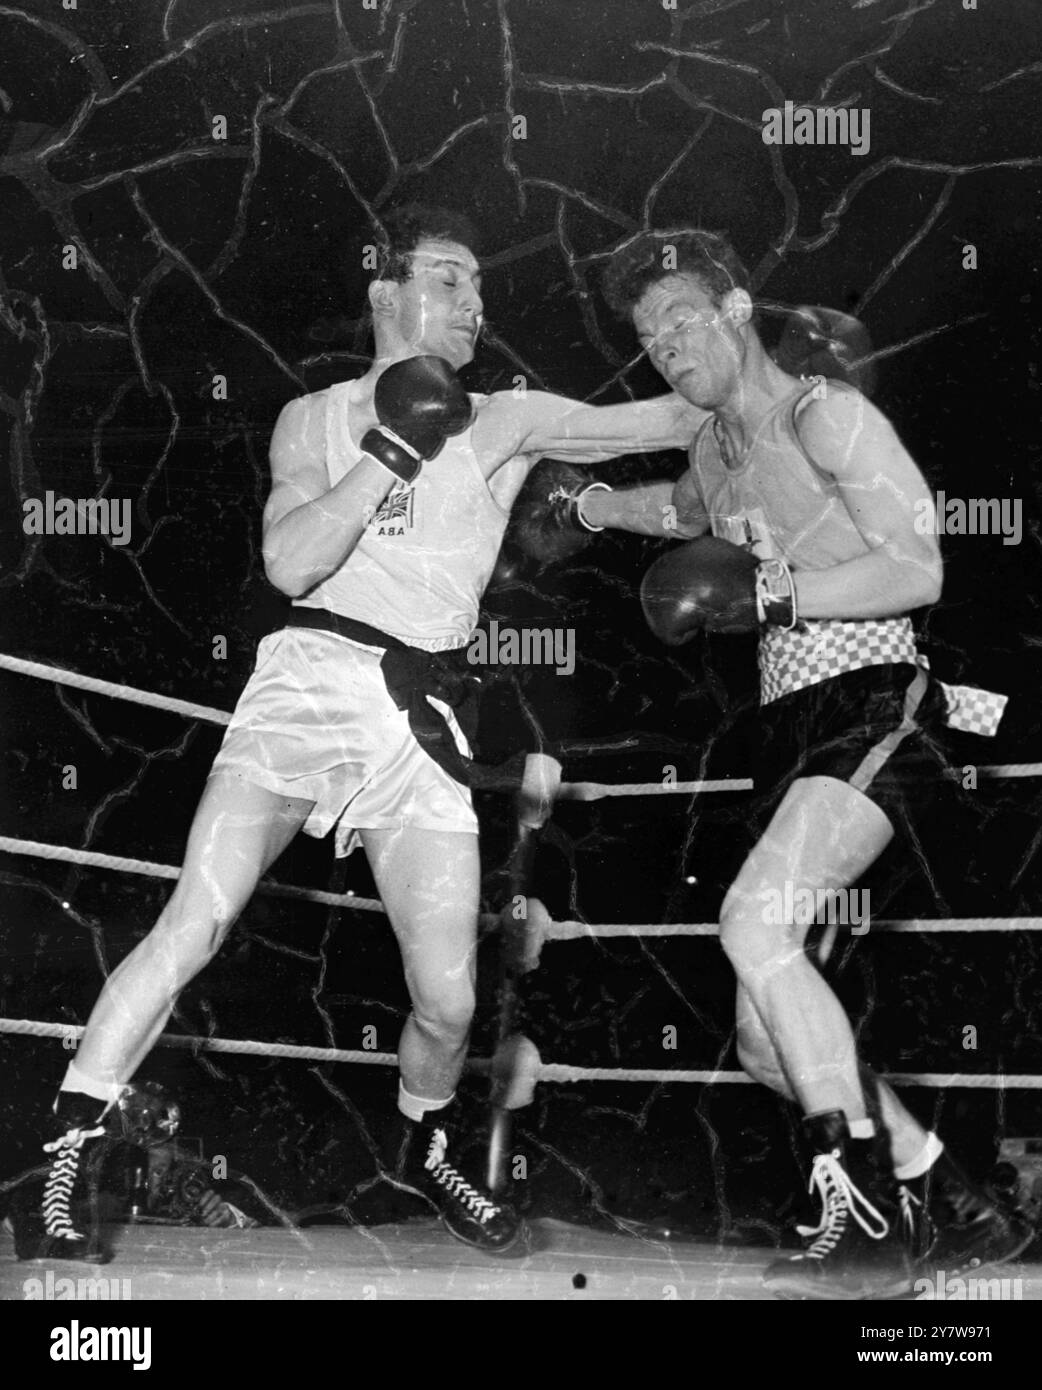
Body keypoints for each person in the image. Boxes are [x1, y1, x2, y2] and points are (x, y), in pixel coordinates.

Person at [13, 204, 705, 1263]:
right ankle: (64, 1151)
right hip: (305, 684)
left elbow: (657, 422)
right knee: (194, 922)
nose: (475, 303)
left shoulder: (503, 419)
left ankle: (425, 1148)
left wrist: (762, 381)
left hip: (419, 718)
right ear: (385, 290)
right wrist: (391, 446)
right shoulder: (311, 419)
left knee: (447, 996)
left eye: (480, 285)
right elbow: (290, 565)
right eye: (448, 278)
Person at [514, 227, 1032, 1299]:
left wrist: (776, 596)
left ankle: (855, 1206)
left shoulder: (824, 413)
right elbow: (690, 515)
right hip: (783, 727)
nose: (662, 344)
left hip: (878, 701)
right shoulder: (713, 448)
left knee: (755, 926)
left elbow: (917, 562)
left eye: (681, 318)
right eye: (647, 333)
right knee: (764, 1032)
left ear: (738, 310)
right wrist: (590, 506)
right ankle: (949, 1196)